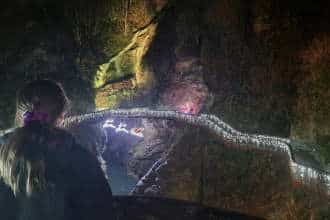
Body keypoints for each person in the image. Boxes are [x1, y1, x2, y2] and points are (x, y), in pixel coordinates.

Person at [0, 79, 113, 220]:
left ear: (19, 114)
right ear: (62, 116)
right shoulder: (80, 159)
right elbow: (103, 210)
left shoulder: (3, 155)